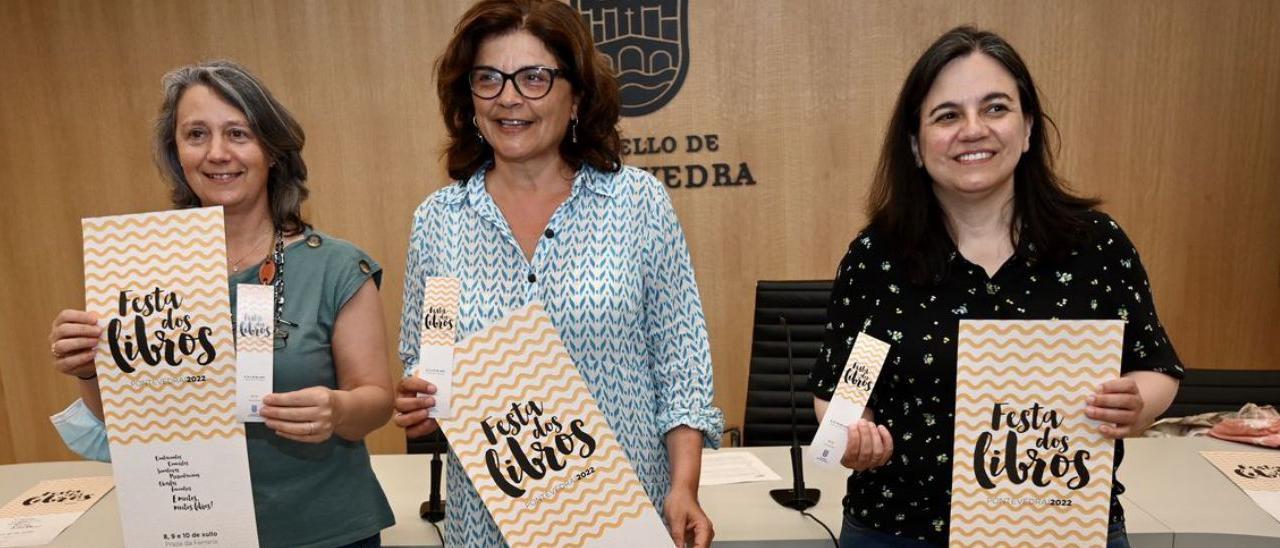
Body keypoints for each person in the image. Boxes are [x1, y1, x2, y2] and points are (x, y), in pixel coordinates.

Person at [808, 27, 1184, 548]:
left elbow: (1156, 366)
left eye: (995, 108)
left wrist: (1136, 403)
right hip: (899, 530)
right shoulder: (878, 259)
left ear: (1028, 128)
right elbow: (847, 390)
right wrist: (851, 435)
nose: (973, 130)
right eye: (947, 116)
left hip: (1064, 525)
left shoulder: (1096, 245)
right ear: (916, 145)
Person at [391, 1, 723, 546]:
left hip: (625, 515)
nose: (509, 97)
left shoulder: (637, 204)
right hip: (490, 522)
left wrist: (685, 487)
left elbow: (682, 368)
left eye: (535, 77)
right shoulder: (437, 222)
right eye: (488, 79)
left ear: (576, 97)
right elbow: (429, 355)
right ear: (468, 101)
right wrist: (422, 398)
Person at [47, 60, 395, 548]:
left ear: (272, 150)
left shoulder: (336, 267)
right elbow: (124, 416)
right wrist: (88, 366)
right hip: (195, 529)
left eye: (238, 133)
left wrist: (337, 410)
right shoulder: (138, 266)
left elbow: (376, 400)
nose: (217, 153)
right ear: (177, 153)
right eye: (195, 134)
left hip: (326, 531)